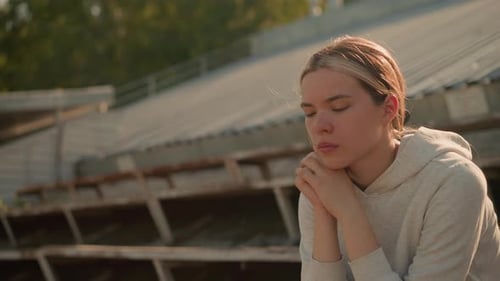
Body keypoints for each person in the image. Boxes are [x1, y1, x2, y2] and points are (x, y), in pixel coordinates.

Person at [294, 35, 500, 281]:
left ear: (389, 108)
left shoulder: (453, 181)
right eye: (310, 112)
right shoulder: (321, 186)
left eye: (339, 107)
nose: (319, 126)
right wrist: (324, 213)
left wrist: (349, 212)